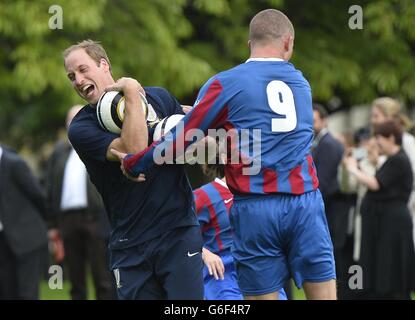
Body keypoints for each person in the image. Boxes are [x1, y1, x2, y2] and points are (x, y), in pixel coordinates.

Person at [113, 9, 336, 300]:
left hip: (256, 208)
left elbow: (183, 137)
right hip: (305, 203)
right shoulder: (301, 84)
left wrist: (136, 162)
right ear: (288, 43)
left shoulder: (226, 83)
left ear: (249, 44)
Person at [63, 40, 204, 300]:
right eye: (72, 76)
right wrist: (129, 91)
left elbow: (198, 135)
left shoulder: (159, 97)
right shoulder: (81, 127)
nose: (78, 80)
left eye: (83, 70)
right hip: (130, 245)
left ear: (103, 64)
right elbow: (136, 150)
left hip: (178, 233)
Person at [45, 105, 115, 300]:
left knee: (102, 276)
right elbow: (50, 186)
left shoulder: (98, 144)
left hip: (95, 217)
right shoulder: (59, 151)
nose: (72, 123)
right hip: (67, 219)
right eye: (69, 119)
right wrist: (52, 224)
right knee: (75, 278)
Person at [194, 159, 288, 300]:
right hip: (223, 274)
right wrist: (204, 253)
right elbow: (177, 234)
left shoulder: (260, 193)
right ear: (226, 158)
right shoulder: (204, 195)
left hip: (260, 271)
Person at [343, 120, 415, 299]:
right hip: (385, 224)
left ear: (391, 138)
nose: (375, 142)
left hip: (394, 225)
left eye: (379, 137)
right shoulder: (391, 160)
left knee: (393, 274)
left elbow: (375, 184)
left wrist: (352, 168)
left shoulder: (398, 159)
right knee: (384, 271)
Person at [0, 144, 48, 299]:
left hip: (27, 240)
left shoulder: (14, 164)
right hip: (4, 241)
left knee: (27, 293)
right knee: (7, 292)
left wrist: (51, 225)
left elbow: (38, 196)